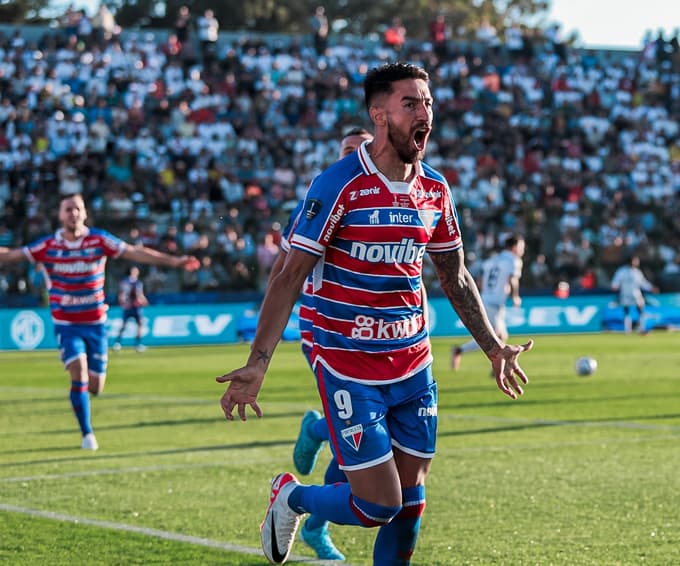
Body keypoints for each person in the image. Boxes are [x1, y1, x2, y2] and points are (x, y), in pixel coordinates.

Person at [216, 62, 533, 565]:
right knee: (376, 503)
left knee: (410, 502)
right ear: (379, 114)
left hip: (413, 363)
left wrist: (493, 347)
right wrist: (258, 361)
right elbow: (288, 274)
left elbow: (455, 276)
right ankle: (291, 497)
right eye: (411, 103)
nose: (424, 112)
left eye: (427, 102)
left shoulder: (435, 190)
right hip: (347, 362)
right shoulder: (338, 184)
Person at [0, 194, 199, 450]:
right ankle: (87, 434)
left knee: (95, 386)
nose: (73, 213)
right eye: (68, 209)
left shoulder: (98, 239)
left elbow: (134, 252)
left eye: (77, 209)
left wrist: (174, 261)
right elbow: (10, 255)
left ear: (84, 213)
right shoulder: (48, 246)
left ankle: (87, 404)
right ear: (60, 215)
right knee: (79, 373)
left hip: (96, 324)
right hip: (66, 325)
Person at [273, 126, 375, 561]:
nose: (352, 158)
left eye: (361, 151)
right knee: (353, 435)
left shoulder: (389, 202)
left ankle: (314, 429)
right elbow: (286, 267)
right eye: (346, 151)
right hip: (323, 330)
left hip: (372, 337)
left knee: (354, 435)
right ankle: (314, 525)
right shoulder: (320, 198)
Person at [451, 235, 525, 371]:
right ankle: (460, 350)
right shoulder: (514, 261)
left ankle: (498, 367)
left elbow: (479, 281)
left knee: (502, 335)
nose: (522, 250)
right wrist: (515, 296)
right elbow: (513, 279)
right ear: (514, 247)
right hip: (494, 303)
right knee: (492, 337)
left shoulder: (492, 259)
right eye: (521, 247)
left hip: (486, 299)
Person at [610, 255, 658, 334]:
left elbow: (643, 283)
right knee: (626, 311)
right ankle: (627, 330)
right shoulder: (622, 271)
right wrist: (615, 285)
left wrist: (651, 288)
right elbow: (616, 281)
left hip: (636, 293)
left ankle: (642, 328)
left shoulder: (637, 272)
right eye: (635, 261)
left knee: (641, 310)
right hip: (625, 294)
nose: (637, 262)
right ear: (630, 261)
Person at [113, 265, 149, 352]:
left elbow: (120, 294)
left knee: (131, 325)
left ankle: (119, 343)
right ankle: (137, 345)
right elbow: (139, 294)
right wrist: (144, 301)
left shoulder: (124, 282)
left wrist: (122, 302)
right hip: (134, 306)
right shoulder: (136, 283)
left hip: (129, 306)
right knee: (134, 325)